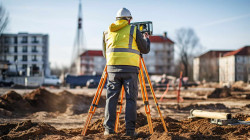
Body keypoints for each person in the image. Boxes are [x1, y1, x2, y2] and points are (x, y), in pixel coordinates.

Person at [102, 8, 150, 136]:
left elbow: (104, 53)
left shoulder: (107, 32)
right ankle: (130, 131)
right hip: (130, 69)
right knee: (130, 100)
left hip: (112, 70)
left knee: (111, 99)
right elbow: (144, 49)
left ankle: (108, 130)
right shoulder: (133, 30)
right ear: (129, 20)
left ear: (117, 19)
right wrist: (147, 39)